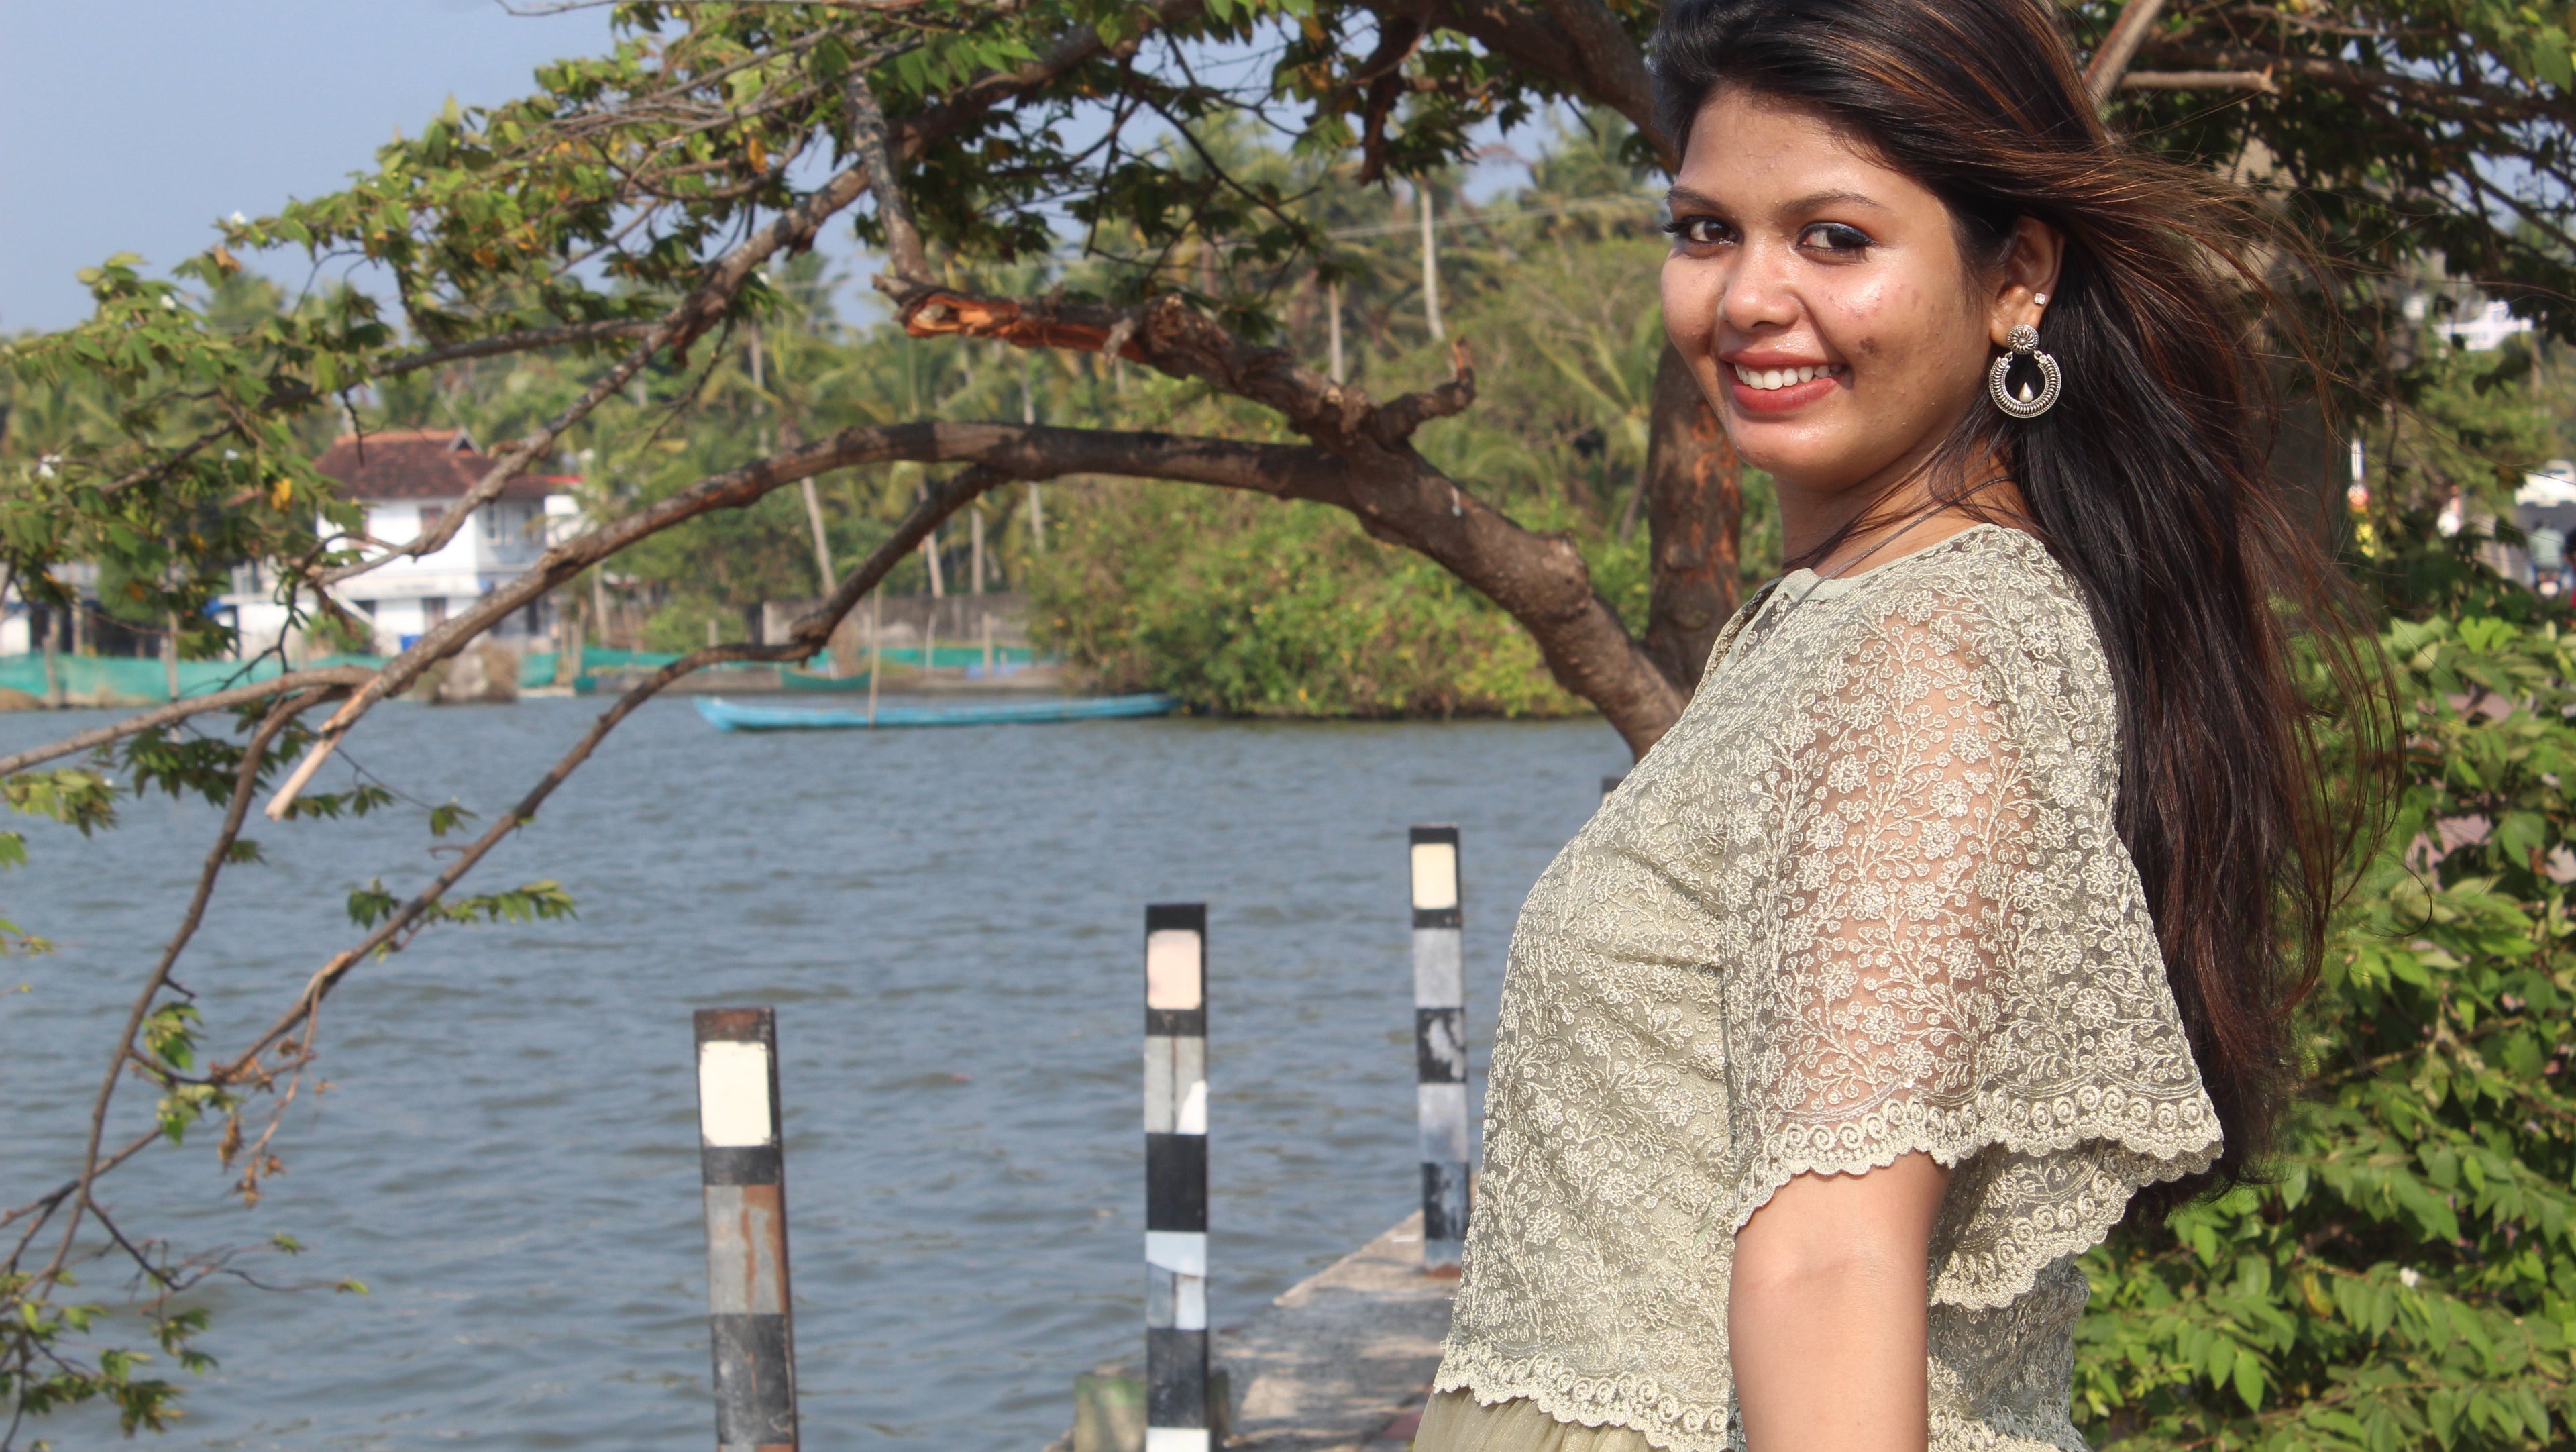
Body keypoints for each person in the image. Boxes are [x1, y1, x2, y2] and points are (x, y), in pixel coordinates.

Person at [1413, 2, 2377, 1450]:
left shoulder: (1929, 644)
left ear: (2017, 278)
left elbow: (1829, 1258)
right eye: (1705, 230)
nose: (1748, 297)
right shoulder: (1851, 609)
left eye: (1834, 237)